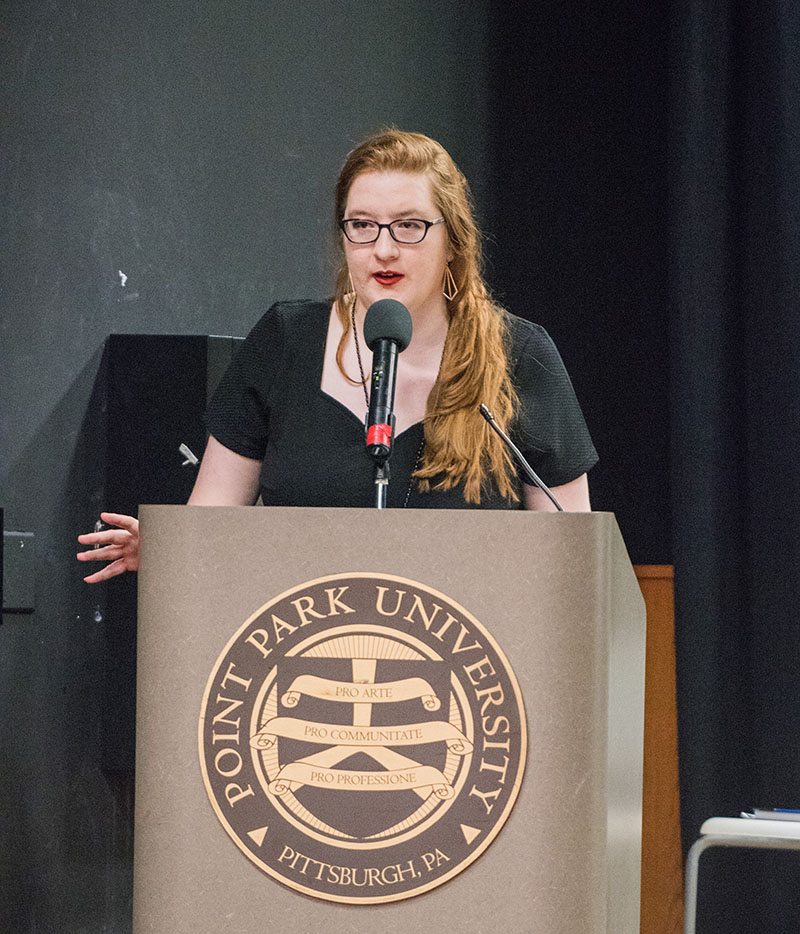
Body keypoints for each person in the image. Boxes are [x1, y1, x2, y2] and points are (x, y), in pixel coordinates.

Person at [77, 129, 597, 583]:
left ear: (453, 240)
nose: (384, 249)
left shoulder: (520, 356)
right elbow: (213, 523)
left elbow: (574, 559)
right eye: (362, 225)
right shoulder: (286, 340)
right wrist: (177, 548)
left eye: (409, 225)